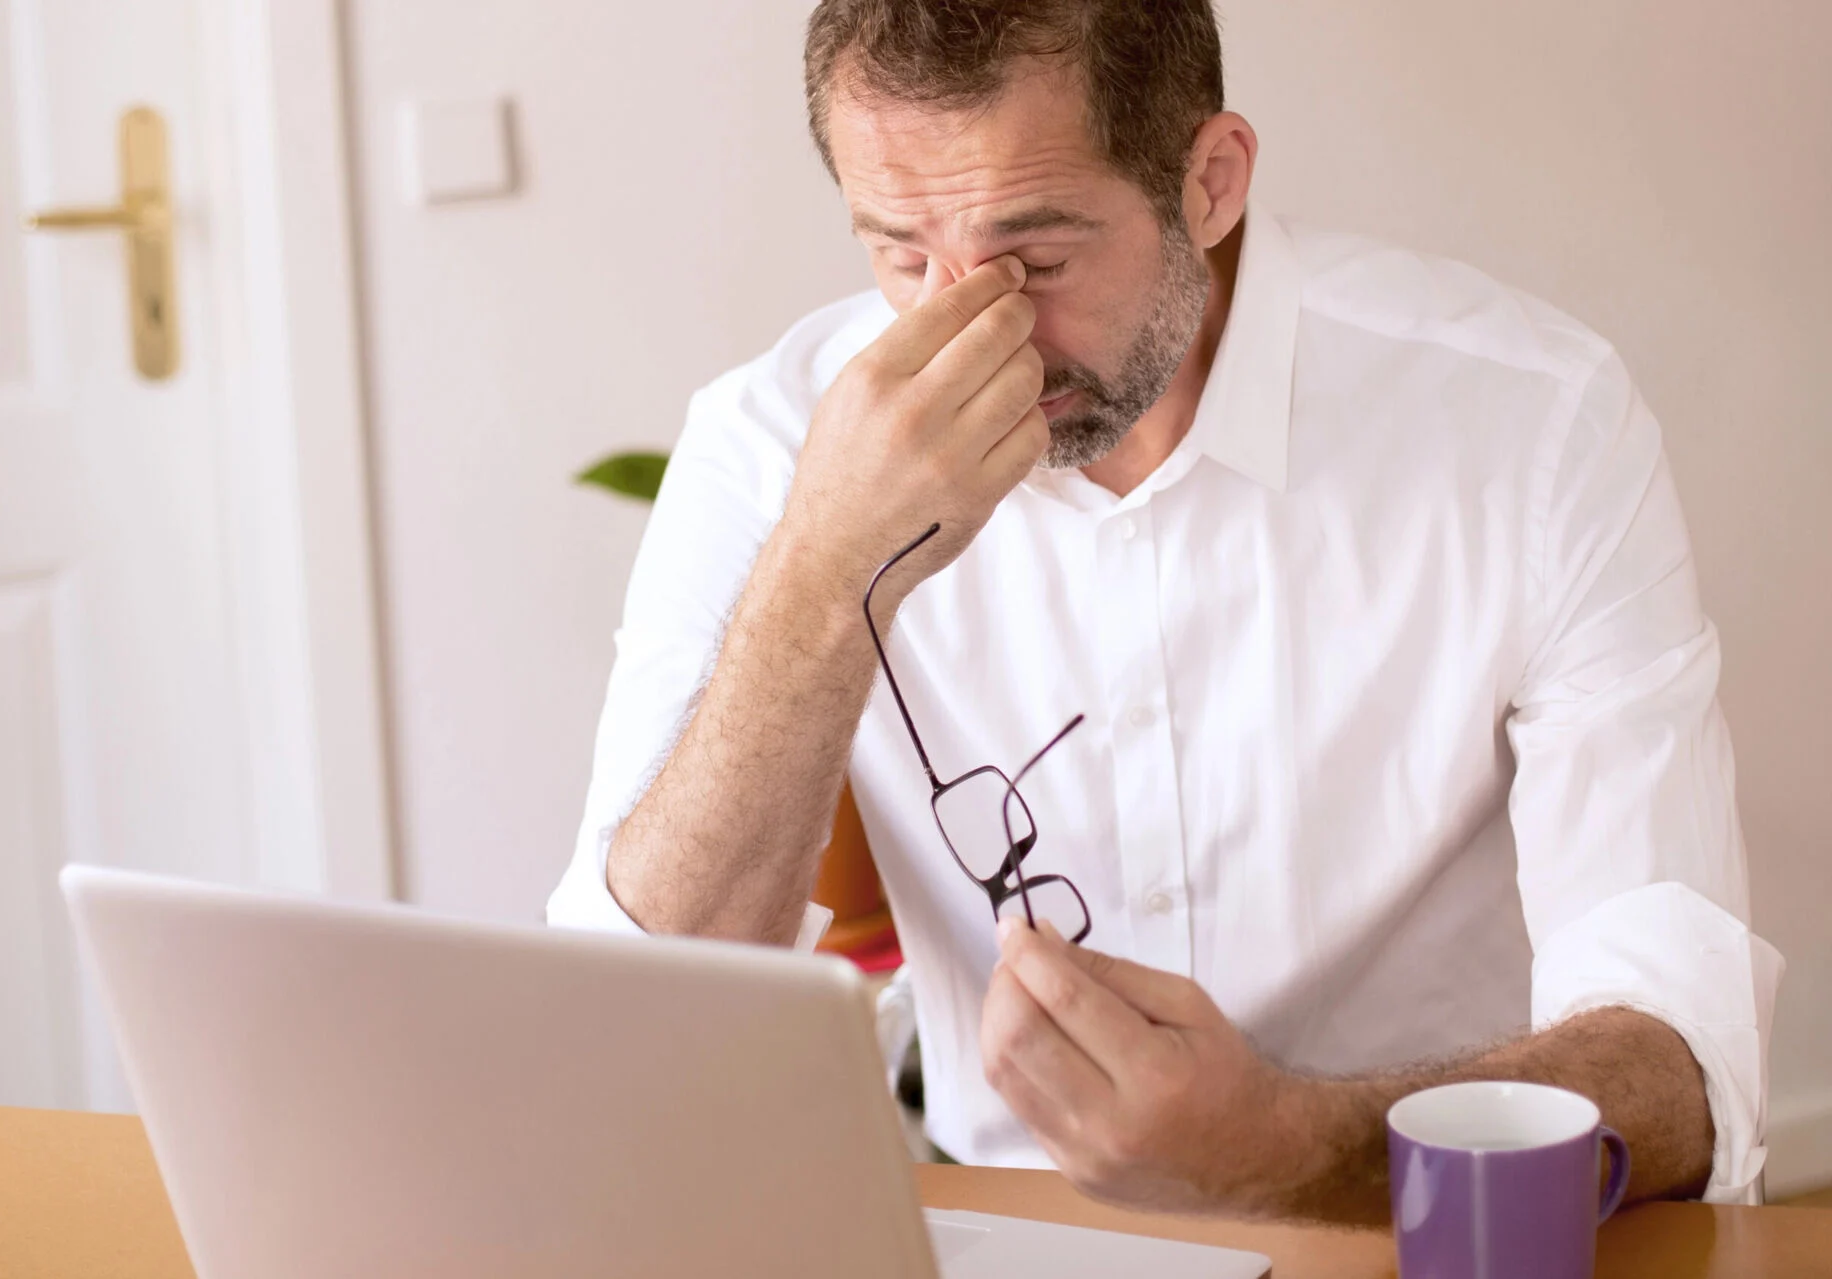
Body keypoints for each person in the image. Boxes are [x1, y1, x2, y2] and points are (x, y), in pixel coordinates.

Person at [547, 0, 1781, 1222]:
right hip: (1012, 1240)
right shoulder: (768, 452)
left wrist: (1290, 1146)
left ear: (1210, 181)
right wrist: (824, 572)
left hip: (1412, 1224)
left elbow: (1683, 1054)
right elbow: (625, 1034)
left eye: (1035, 260)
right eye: (901, 254)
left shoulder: (1529, 421)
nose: (976, 335)